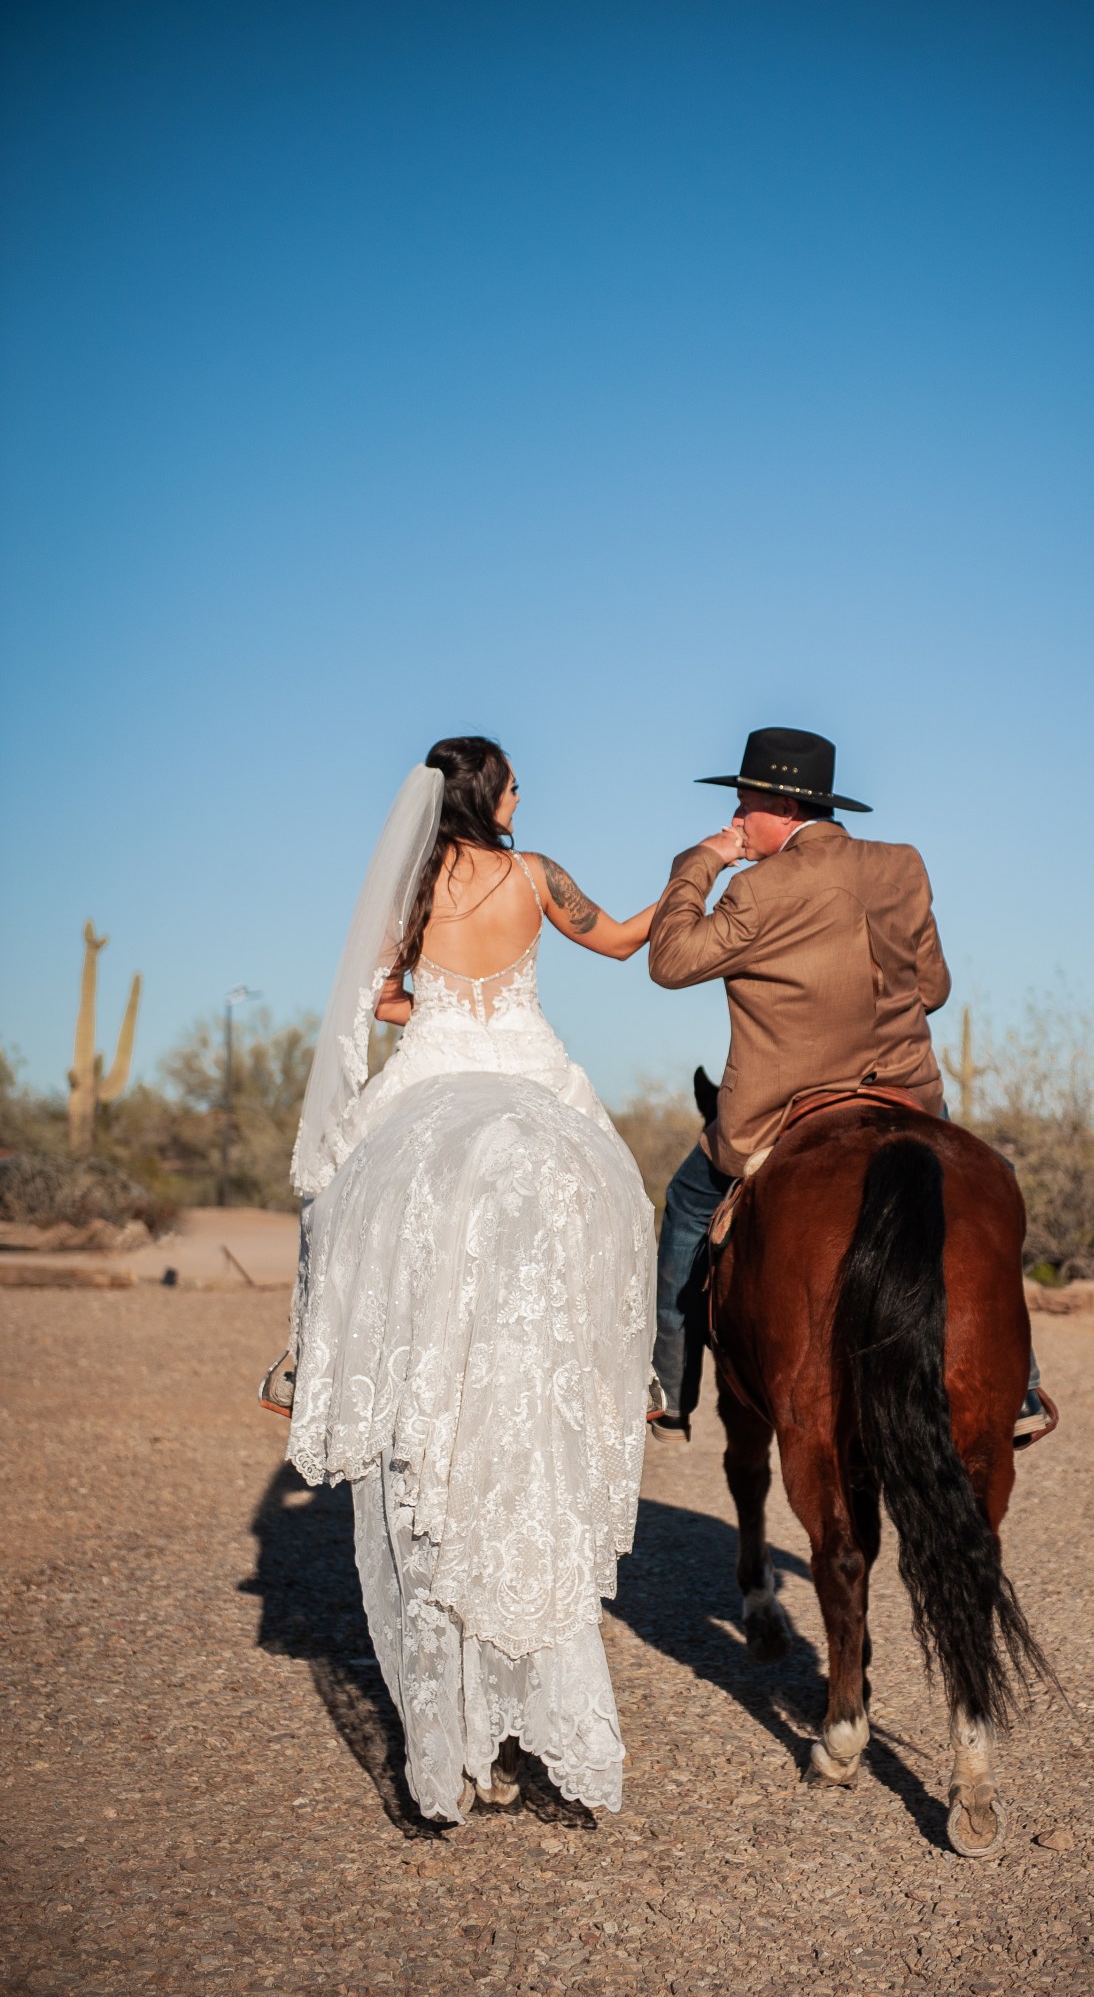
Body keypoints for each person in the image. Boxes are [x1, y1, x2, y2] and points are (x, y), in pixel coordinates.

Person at [283, 737, 659, 1824]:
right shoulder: (537, 874)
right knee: (618, 1201)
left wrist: (441, 1002)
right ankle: (629, 1371)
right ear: (490, 794)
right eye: (513, 781)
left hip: (440, 1072)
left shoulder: (411, 887)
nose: (522, 794)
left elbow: (380, 999)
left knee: (344, 1193)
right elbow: (627, 938)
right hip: (532, 1072)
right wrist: (701, 864)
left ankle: (308, 1348)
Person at [645, 725, 1052, 1444]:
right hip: (909, 1092)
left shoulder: (757, 887)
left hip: (777, 1111)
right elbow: (934, 987)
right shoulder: (903, 865)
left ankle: (669, 1388)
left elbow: (670, 961)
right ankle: (1019, 1383)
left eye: (744, 803)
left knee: (685, 1206)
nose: (736, 820)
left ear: (783, 806)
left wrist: (699, 860)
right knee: (987, 1187)